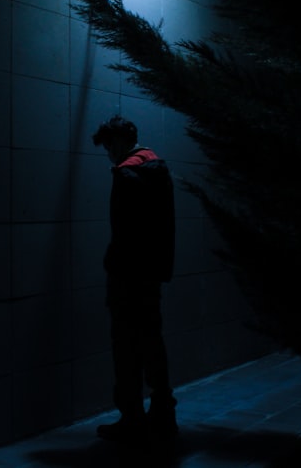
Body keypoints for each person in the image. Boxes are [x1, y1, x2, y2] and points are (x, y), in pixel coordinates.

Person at [91, 115, 178, 443]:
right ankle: (163, 413)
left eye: (108, 147)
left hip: (127, 276)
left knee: (125, 347)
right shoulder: (157, 168)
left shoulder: (127, 174)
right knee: (152, 341)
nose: (109, 154)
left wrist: (113, 264)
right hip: (151, 274)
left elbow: (124, 233)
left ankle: (132, 418)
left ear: (117, 141)